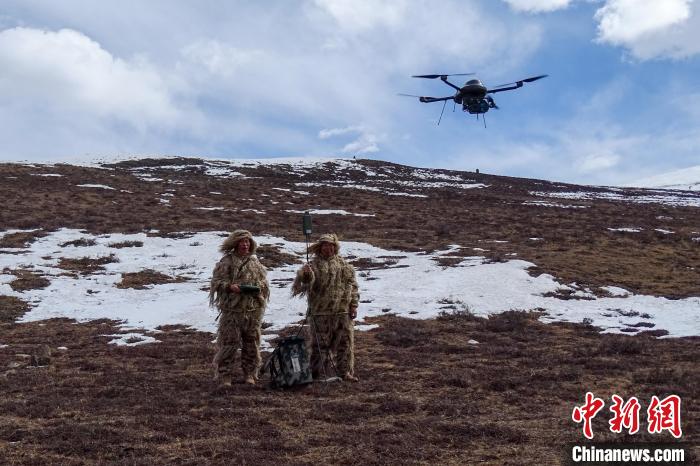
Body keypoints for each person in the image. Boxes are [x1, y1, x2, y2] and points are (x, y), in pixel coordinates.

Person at [292, 233, 359, 382]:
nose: (328, 248)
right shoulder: (313, 265)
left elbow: (353, 287)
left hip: (342, 312)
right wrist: (306, 275)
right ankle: (317, 374)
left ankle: (345, 372)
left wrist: (353, 305)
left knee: (345, 343)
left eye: (331, 245)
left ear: (335, 247)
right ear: (320, 247)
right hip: (321, 312)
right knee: (320, 345)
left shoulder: (344, 266)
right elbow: (304, 284)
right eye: (325, 245)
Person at [209, 229, 269, 386]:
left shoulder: (255, 263)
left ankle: (250, 373)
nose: (245, 244)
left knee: (251, 343)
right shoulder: (227, 262)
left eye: (247, 242)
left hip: (252, 311)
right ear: (235, 244)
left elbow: (264, 283)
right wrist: (230, 287)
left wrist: (257, 288)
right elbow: (216, 282)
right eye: (242, 242)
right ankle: (224, 375)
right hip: (232, 312)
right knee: (229, 343)